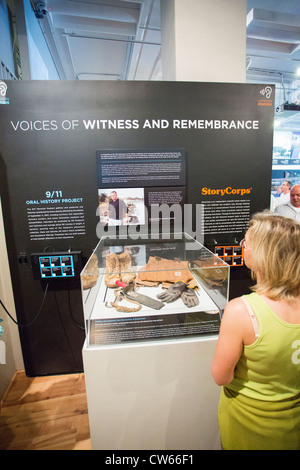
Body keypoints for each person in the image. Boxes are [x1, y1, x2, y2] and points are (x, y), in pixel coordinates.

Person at [211, 211, 300, 450]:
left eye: (246, 243)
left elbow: (221, 376)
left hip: (248, 422)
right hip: (292, 425)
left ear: (262, 254)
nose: (242, 246)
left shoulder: (241, 310)